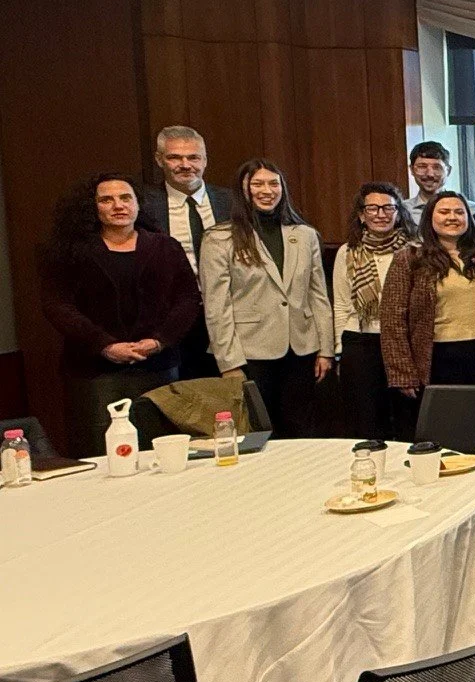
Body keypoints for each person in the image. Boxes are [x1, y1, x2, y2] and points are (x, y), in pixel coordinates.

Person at [40, 172, 200, 452]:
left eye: (126, 198)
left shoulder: (165, 247)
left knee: (161, 450)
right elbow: (58, 305)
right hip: (94, 372)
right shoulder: (70, 251)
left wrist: (160, 340)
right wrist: (104, 344)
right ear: (93, 207)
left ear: (138, 204)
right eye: (107, 200)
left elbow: (187, 299)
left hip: (159, 366)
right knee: (104, 453)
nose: (118, 205)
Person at [201, 159, 334, 437]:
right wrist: (230, 364)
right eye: (257, 183)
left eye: (274, 183)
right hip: (251, 354)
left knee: (302, 430)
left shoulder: (305, 234)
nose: (267, 190)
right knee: (259, 432)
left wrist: (326, 349)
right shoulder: (220, 238)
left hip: (301, 350)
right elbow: (217, 306)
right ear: (243, 189)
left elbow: (318, 295)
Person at [381, 191, 475, 404]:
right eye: (444, 212)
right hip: (438, 356)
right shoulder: (410, 258)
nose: (452, 217)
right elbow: (393, 319)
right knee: (444, 427)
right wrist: (402, 372)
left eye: (459, 212)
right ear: (430, 218)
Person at [140, 125, 233, 380]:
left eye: (193, 157)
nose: (185, 164)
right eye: (174, 157)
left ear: (204, 160)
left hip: (228, 316)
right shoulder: (142, 205)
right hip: (169, 321)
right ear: (160, 160)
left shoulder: (232, 202)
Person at [332, 182, 416, 441]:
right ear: (361, 215)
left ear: (399, 213)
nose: (381, 214)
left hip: (403, 342)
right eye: (373, 208)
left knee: (406, 419)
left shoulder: (415, 250)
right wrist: (338, 350)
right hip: (360, 342)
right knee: (366, 423)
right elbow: (341, 305)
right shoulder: (348, 252)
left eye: (388, 207)